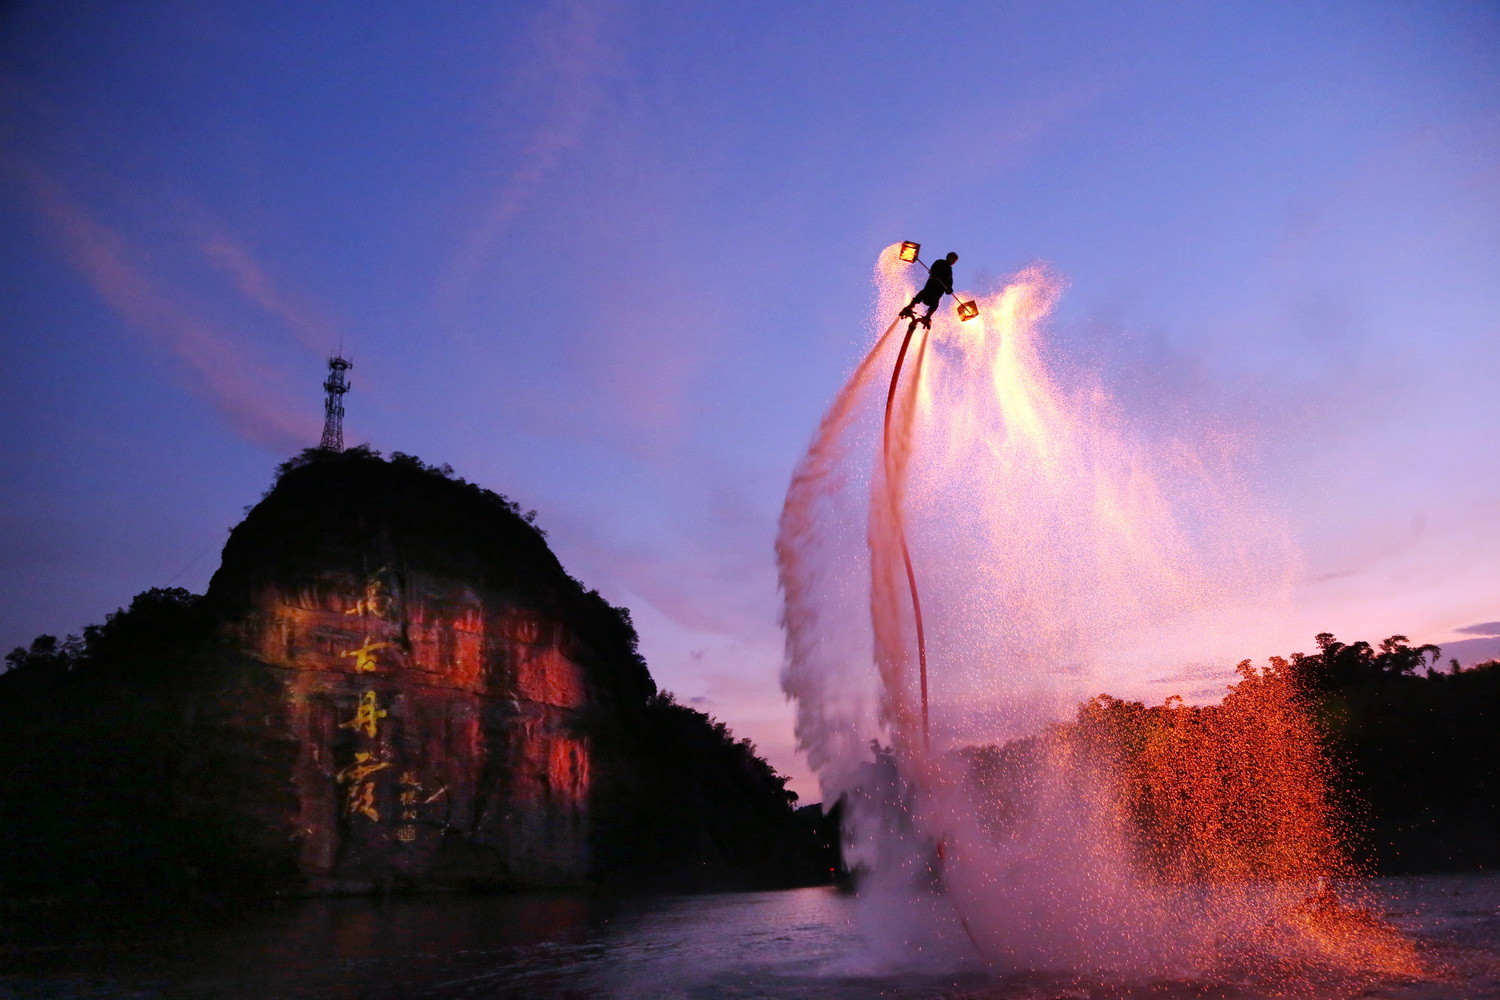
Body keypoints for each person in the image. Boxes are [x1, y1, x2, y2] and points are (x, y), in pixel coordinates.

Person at [900, 252, 958, 323]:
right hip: (932, 284)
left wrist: (949, 289)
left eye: (955, 261)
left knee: (935, 301)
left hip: (939, 290)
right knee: (923, 293)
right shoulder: (940, 262)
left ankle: (928, 315)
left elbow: (949, 282)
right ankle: (910, 306)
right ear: (948, 257)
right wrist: (934, 273)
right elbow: (933, 269)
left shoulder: (950, 271)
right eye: (953, 259)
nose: (953, 262)